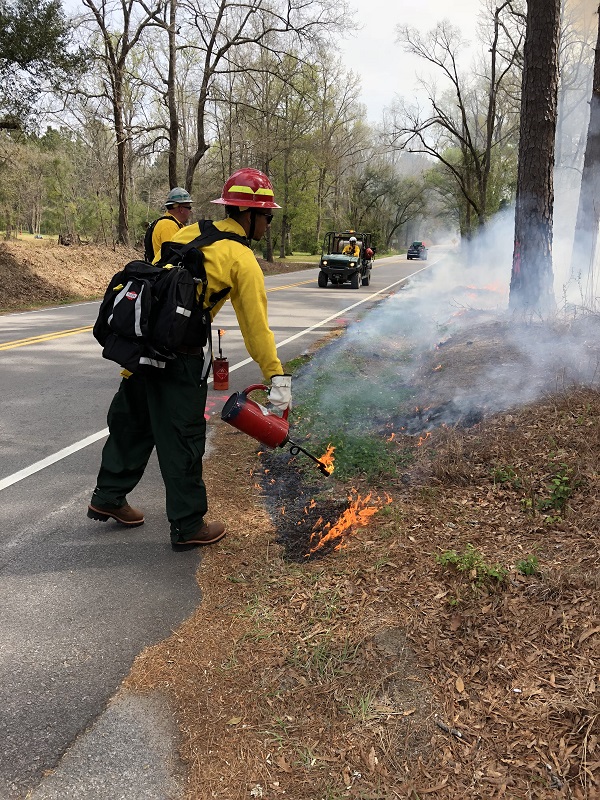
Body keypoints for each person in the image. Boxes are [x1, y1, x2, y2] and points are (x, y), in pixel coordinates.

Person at [88, 168, 292, 551]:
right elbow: (256, 330)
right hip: (178, 356)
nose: (268, 222)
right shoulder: (242, 259)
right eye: (268, 215)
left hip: (141, 347)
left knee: (132, 422)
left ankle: (108, 496)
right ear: (250, 215)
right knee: (182, 437)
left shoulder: (190, 231)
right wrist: (277, 378)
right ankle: (187, 525)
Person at [145, 187, 193, 262]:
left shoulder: (172, 224)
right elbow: (173, 258)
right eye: (189, 207)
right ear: (181, 209)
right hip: (166, 272)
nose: (190, 211)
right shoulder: (169, 226)